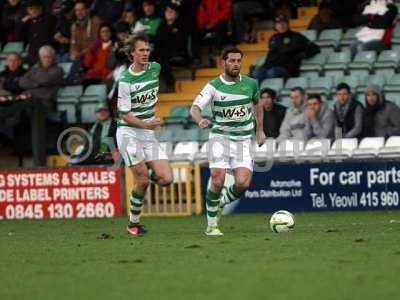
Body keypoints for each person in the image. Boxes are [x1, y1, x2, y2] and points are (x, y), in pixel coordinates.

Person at [190, 46, 265, 236]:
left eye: (239, 61)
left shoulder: (251, 84)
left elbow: (258, 106)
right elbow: (195, 108)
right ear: (223, 63)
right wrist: (200, 120)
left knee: (243, 183)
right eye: (232, 61)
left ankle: (220, 202)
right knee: (218, 179)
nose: (236, 64)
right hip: (220, 138)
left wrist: (260, 130)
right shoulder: (213, 86)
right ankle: (211, 225)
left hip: (243, 141)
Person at [116, 33, 173, 236]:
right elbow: (125, 114)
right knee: (142, 181)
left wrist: (148, 126)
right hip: (129, 132)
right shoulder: (125, 80)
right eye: (141, 50)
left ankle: (146, 178)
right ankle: (133, 223)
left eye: (147, 50)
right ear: (132, 54)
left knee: (166, 179)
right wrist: (146, 124)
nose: (145, 53)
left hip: (147, 133)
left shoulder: (155, 68)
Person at [19, 45, 64, 166]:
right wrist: (37, 85)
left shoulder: (58, 70)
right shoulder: (35, 69)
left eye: (49, 57)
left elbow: (46, 80)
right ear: (40, 57)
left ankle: (39, 162)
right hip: (29, 103)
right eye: (44, 57)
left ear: (53, 58)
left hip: (44, 104)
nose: (46, 59)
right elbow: (22, 82)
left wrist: (31, 85)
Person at [252, 14, 320, 83]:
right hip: (270, 67)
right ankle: (259, 92)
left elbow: (315, 47)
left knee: (272, 73)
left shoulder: (296, 36)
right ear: (275, 26)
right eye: (278, 24)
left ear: (287, 24)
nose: (281, 26)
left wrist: (304, 54)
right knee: (256, 73)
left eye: (283, 23)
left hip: (287, 69)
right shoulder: (273, 38)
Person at [16, 0, 57, 64]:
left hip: (46, 54)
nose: (33, 11)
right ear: (27, 10)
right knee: (16, 61)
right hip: (32, 54)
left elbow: (48, 36)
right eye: (30, 9)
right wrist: (22, 23)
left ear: (40, 8)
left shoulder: (50, 18)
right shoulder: (27, 22)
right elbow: (18, 37)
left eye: (36, 8)